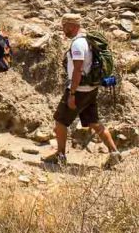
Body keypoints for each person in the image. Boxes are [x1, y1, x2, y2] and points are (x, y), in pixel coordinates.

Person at [44, 12, 121, 169]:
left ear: (72, 26)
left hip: (79, 89)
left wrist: (72, 93)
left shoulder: (78, 44)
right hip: (90, 89)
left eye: (64, 26)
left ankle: (60, 155)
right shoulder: (88, 41)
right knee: (94, 122)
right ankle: (114, 153)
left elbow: (78, 70)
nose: (63, 29)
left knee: (60, 121)